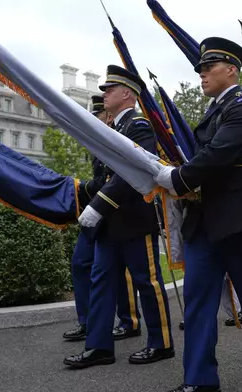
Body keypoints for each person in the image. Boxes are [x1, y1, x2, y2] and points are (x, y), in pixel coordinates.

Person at [155, 37, 242, 392]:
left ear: (231, 69)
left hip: (240, 212)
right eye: (200, 68)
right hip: (205, 216)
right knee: (199, 299)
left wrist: (179, 177)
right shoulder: (216, 110)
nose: (201, 74)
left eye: (207, 67)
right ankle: (199, 380)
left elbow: (220, 152)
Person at [64, 65, 174, 369]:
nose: (104, 94)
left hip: (133, 219)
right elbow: (103, 176)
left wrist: (99, 204)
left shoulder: (139, 125)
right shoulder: (111, 130)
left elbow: (134, 172)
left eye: (109, 89)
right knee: (100, 281)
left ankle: (161, 343)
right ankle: (99, 347)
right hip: (110, 224)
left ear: (126, 93)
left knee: (147, 282)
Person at [62, 94, 142, 342]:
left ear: (106, 117)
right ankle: (88, 323)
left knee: (121, 271)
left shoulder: (117, 135)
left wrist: (81, 189)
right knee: (82, 264)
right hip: (98, 212)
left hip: (116, 211)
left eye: (93, 118)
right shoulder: (98, 141)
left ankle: (129, 320)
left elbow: (112, 180)